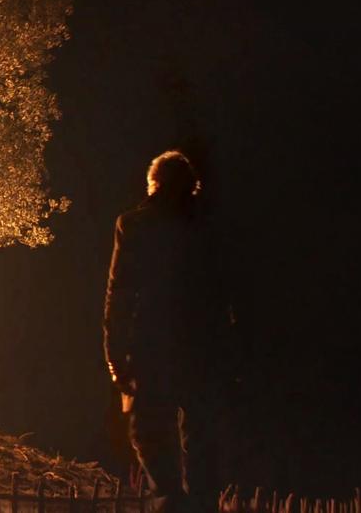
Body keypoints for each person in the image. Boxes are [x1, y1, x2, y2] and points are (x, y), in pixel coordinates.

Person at [102, 151, 230, 512]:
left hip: (152, 345)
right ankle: (199, 503)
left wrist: (115, 356)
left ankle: (171, 501)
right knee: (201, 435)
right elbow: (229, 292)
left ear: (153, 183)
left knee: (150, 431)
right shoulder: (210, 230)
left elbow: (120, 294)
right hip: (204, 347)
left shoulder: (134, 225)